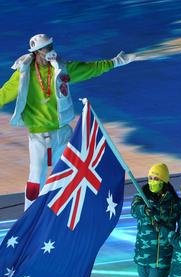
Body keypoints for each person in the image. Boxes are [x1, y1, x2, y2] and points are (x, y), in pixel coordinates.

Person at [0, 34, 136, 209]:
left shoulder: (61, 68)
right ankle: (30, 216)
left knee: (70, 172)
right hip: (38, 135)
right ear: (36, 52)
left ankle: (66, 211)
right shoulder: (23, 74)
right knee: (36, 176)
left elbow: (89, 69)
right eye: (45, 48)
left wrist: (115, 62)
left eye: (50, 46)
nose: (50, 50)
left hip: (63, 133)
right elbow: (3, 94)